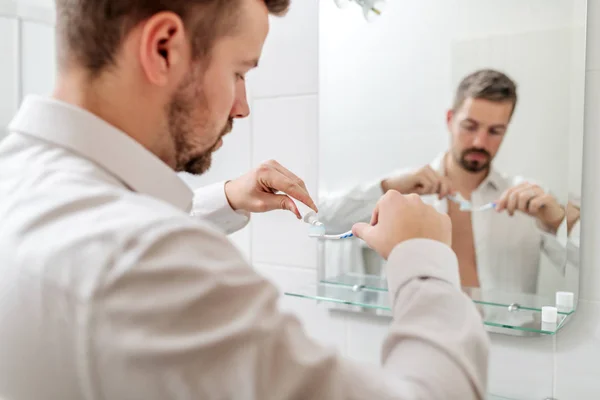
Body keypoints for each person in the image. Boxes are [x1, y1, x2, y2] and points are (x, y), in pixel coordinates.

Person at [0, 0, 489, 399]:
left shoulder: (20, 182)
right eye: (239, 72)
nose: (244, 106)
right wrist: (424, 259)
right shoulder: (151, 264)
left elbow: (104, 229)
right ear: (163, 48)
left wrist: (227, 199)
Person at [319, 69, 575, 294]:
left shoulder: (531, 200)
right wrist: (387, 188)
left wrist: (558, 221)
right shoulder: (404, 193)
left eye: (495, 131)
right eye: (470, 126)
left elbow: (588, 277)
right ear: (450, 119)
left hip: (514, 345)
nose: (480, 142)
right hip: (420, 339)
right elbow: (324, 222)